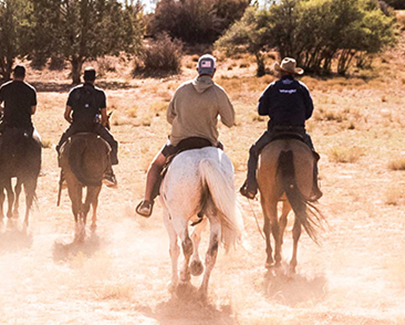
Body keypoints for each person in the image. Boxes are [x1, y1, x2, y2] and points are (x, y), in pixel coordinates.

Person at [135, 55, 236, 217]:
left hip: (179, 141)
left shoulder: (182, 89)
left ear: (197, 70)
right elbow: (230, 121)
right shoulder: (218, 92)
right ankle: (229, 201)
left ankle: (147, 202)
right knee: (225, 167)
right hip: (208, 142)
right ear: (214, 72)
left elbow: (169, 117)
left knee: (155, 165)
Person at [239, 58, 321, 200]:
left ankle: (251, 187)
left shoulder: (272, 87)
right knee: (313, 156)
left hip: (275, 132)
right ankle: (314, 187)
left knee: (253, 151)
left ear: (281, 72)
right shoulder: (302, 88)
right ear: (293, 73)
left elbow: (261, 110)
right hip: (298, 132)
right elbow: (309, 112)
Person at [55, 67, 119, 187]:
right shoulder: (100, 93)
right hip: (94, 126)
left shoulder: (74, 92)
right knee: (113, 143)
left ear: (83, 78)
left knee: (60, 146)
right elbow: (104, 117)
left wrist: (74, 123)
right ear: (94, 79)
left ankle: (64, 175)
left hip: (77, 126)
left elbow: (66, 115)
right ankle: (108, 173)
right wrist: (103, 124)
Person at [0, 64, 40, 170]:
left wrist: (4, 110)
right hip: (25, 125)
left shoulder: (5, 87)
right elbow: (33, 111)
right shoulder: (31, 90)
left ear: (13, 75)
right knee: (38, 141)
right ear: (24, 75)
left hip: (8, 124)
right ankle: (38, 168)